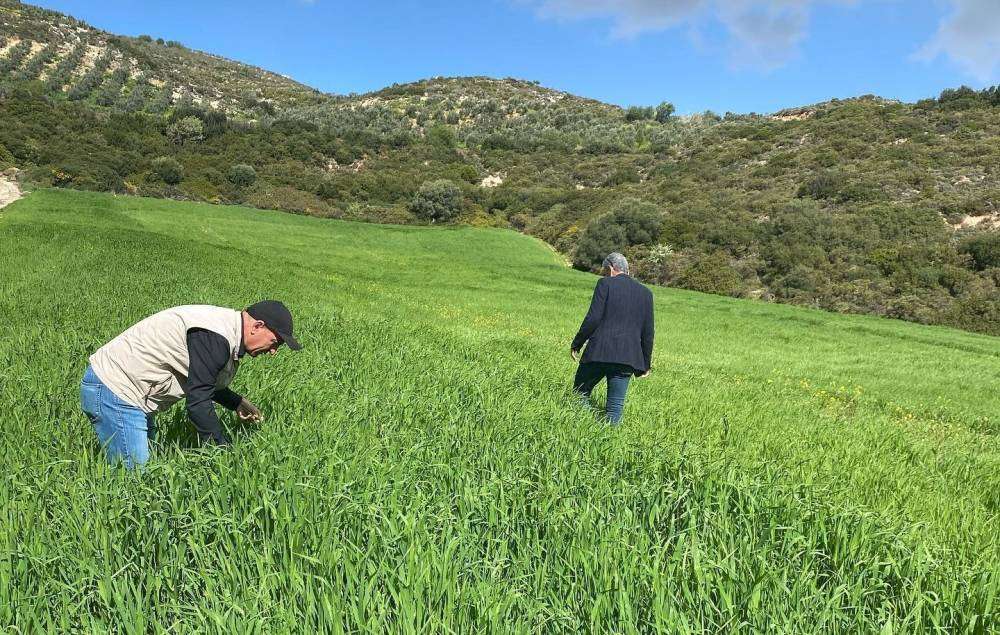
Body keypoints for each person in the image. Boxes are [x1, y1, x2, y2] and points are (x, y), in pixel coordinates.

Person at [80, 301, 302, 468]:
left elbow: (202, 380)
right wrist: (224, 456)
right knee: (133, 484)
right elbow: (198, 403)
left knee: (150, 469)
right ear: (257, 326)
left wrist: (237, 403)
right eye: (275, 342)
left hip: (129, 393)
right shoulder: (216, 337)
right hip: (116, 392)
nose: (273, 351)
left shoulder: (224, 331)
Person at [570, 252, 654, 425]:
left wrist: (577, 343)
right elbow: (648, 332)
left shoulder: (605, 284)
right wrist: (645, 364)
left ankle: (583, 429)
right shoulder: (646, 293)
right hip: (628, 357)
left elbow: (593, 318)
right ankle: (608, 443)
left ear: (610, 268)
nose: (604, 274)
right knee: (615, 407)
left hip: (599, 352)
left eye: (604, 271)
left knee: (580, 393)